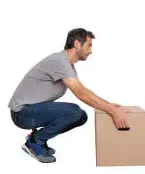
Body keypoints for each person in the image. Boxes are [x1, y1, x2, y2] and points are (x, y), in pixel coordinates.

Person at [8, 28, 129, 163]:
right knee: (74, 111)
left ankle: (37, 138)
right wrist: (112, 111)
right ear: (77, 44)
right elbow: (81, 94)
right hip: (22, 113)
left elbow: (84, 91)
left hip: (31, 111)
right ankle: (34, 142)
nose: (91, 51)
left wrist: (109, 105)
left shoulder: (67, 65)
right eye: (89, 45)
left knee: (81, 116)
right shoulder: (60, 61)